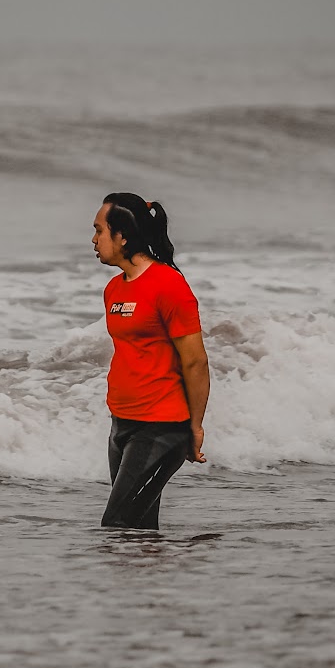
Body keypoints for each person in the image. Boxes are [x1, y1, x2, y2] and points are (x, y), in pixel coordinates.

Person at [92, 193, 209, 529]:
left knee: (116, 524)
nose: (94, 240)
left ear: (122, 236)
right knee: (140, 530)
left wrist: (195, 426)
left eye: (99, 231)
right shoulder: (114, 289)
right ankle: (155, 583)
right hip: (122, 424)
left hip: (160, 428)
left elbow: (195, 361)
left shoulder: (169, 285)